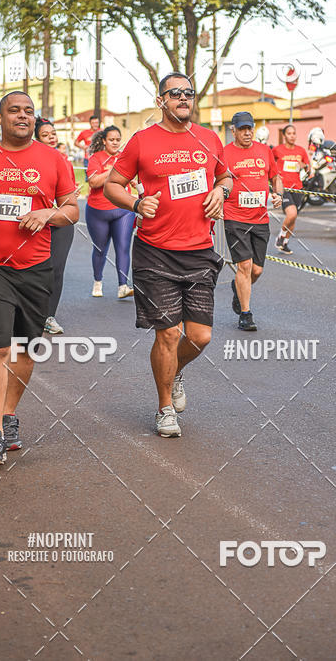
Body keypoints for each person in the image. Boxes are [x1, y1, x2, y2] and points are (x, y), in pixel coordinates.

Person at [0, 91, 78, 465]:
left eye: (28, 112)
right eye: (14, 111)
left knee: (25, 348)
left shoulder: (54, 159)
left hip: (37, 269)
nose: (22, 116)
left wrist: (47, 215)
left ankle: (8, 416)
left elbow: (72, 209)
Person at [104, 73, 232, 438]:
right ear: (161, 100)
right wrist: (136, 202)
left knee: (201, 336)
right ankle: (164, 408)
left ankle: (174, 371)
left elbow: (226, 177)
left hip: (199, 251)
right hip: (154, 252)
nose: (183, 98)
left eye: (189, 93)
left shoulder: (208, 139)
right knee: (168, 335)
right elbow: (113, 184)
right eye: (175, 93)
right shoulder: (142, 141)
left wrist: (221, 192)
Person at [223, 112, 283, 331]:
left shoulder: (264, 151)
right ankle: (246, 315)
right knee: (245, 266)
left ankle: (238, 288)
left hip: (260, 219)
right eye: (242, 129)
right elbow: (217, 181)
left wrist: (278, 194)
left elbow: (276, 177)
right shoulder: (225, 153)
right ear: (234, 131)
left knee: (256, 271)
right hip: (235, 218)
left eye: (250, 128)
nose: (247, 133)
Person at [35, 117, 77, 334]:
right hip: (34, 223)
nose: (51, 136)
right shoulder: (30, 161)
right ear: (36, 139)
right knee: (34, 269)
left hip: (60, 222)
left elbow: (69, 195)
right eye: (45, 134)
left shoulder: (65, 162)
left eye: (53, 133)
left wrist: (71, 195)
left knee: (56, 269)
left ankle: (48, 316)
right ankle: (29, 310)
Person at [86, 125, 135, 299]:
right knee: (100, 249)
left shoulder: (125, 157)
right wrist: (111, 171)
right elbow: (93, 182)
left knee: (123, 247)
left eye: (117, 140)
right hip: (98, 211)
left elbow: (134, 179)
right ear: (104, 141)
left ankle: (123, 285)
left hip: (123, 210)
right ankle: (97, 281)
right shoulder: (96, 158)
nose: (115, 143)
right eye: (111, 140)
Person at [272, 124, 310, 254]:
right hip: (284, 187)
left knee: (294, 217)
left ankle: (285, 243)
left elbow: (308, 168)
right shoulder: (277, 150)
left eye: (294, 133)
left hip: (297, 187)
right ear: (284, 135)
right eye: (289, 133)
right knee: (291, 213)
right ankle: (281, 236)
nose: (292, 136)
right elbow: (270, 165)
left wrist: (303, 165)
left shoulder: (301, 150)